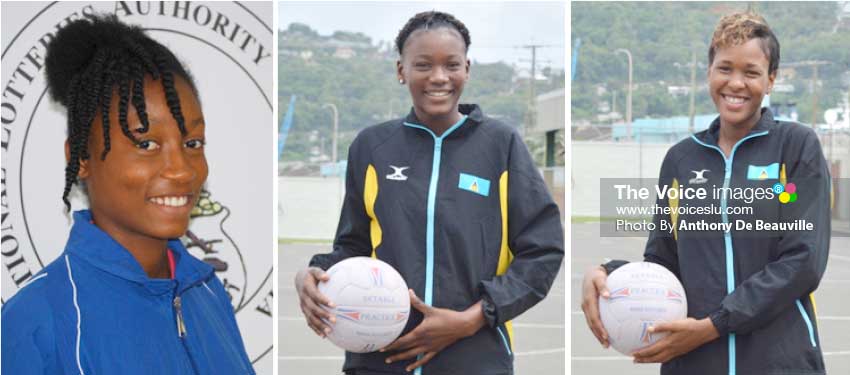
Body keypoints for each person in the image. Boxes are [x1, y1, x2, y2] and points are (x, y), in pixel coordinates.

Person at [294, 11, 564, 375]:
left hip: (476, 359)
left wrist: (472, 319)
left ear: (467, 69)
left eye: (451, 65)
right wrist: (313, 273)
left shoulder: (501, 145)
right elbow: (354, 248)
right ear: (401, 70)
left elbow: (542, 251)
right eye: (423, 65)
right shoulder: (372, 147)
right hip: (381, 359)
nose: (439, 77)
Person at [1, 15, 255, 374]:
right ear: (81, 158)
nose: (182, 169)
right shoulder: (35, 322)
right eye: (146, 143)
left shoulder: (208, 291)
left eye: (192, 142)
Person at [581, 11, 831, 375]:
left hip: (780, 362)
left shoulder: (794, 148)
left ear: (771, 79)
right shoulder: (681, 159)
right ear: (708, 73)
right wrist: (607, 272)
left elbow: (802, 262)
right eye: (725, 68)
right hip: (695, 363)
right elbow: (663, 263)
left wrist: (714, 325)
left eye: (751, 72)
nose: (736, 83)